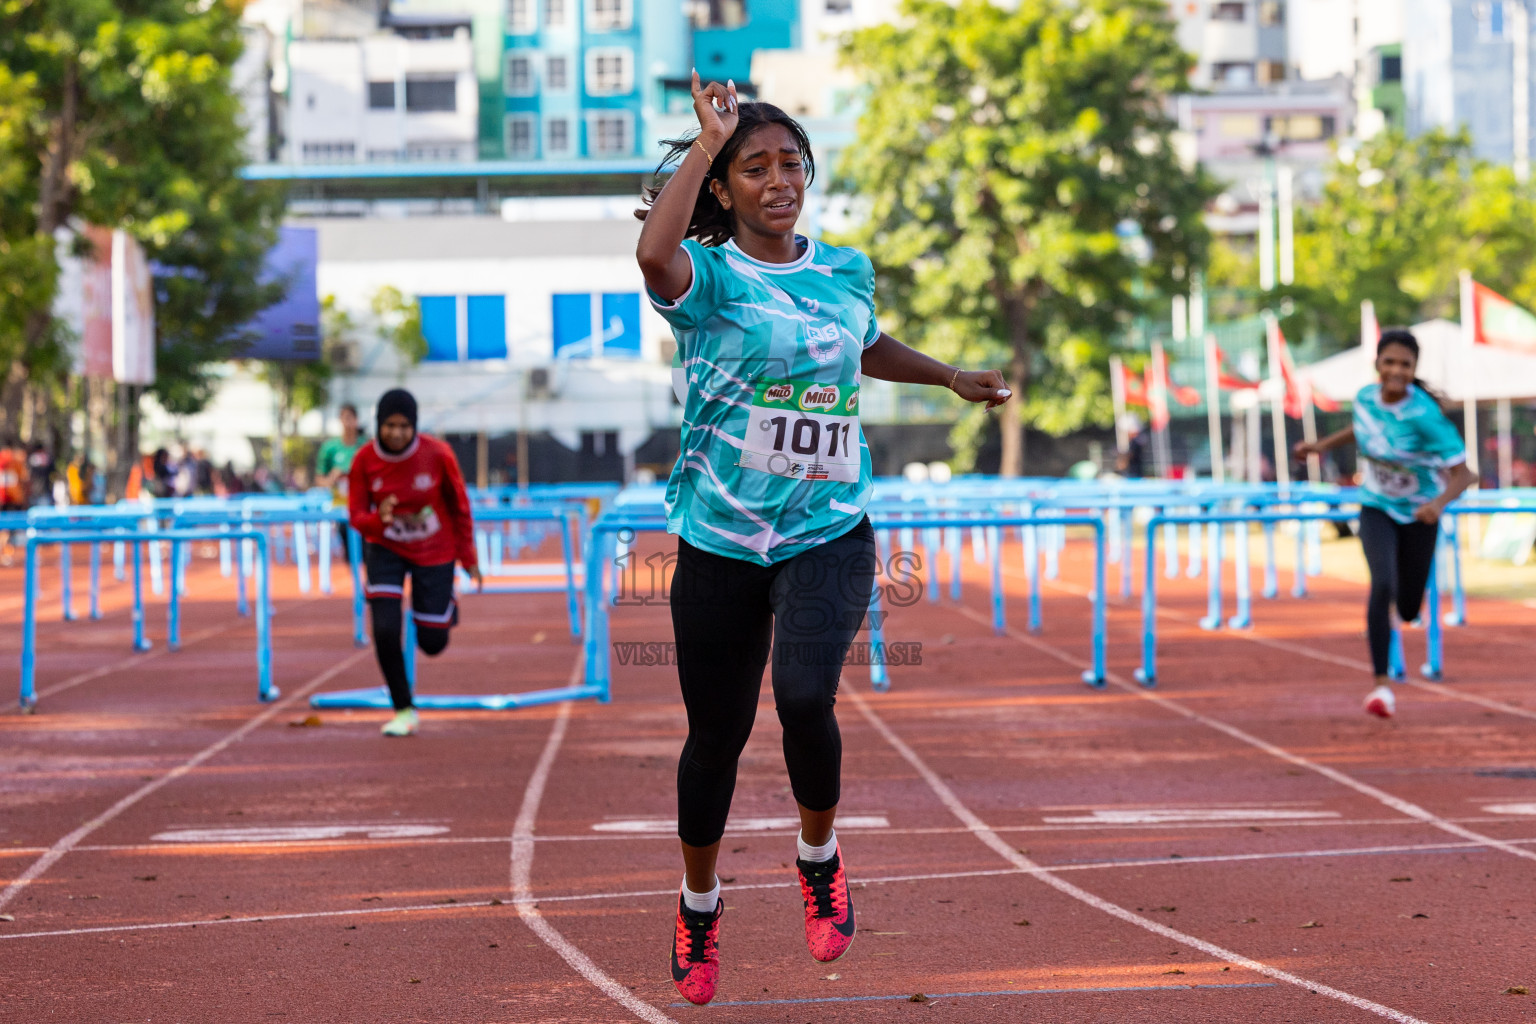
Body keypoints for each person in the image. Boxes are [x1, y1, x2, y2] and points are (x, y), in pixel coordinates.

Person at [635, 75, 1011, 1006]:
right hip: (720, 535)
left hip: (826, 527)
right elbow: (653, 256)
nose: (777, 181)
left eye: (789, 165)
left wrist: (949, 377)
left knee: (806, 697)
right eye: (753, 169)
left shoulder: (844, 269)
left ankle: (819, 858)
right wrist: (703, 142)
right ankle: (698, 904)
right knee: (715, 735)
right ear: (722, 189)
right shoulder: (710, 277)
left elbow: (865, 344)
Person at [1295, 329, 1475, 719]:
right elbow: (1361, 428)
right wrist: (1319, 447)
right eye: (1389, 361)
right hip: (1376, 507)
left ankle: (1402, 615)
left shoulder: (1426, 415)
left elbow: (1465, 476)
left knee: (1409, 607)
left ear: (1414, 370)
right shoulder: (1364, 398)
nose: (1396, 370)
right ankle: (1380, 687)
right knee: (1382, 584)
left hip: (1418, 515)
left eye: (1405, 364)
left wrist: (1437, 504)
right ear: (1377, 364)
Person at [347, 389, 482, 737]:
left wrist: (468, 558)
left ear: (414, 427)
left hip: (434, 548)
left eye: (404, 426)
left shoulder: (437, 454)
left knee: (433, 643)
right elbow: (357, 515)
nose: (396, 433)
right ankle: (403, 707)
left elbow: (460, 505)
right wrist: (381, 520)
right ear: (378, 425)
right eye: (390, 425)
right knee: (386, 630)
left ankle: (445, 605)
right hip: (384, 547)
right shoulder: (364, 460)